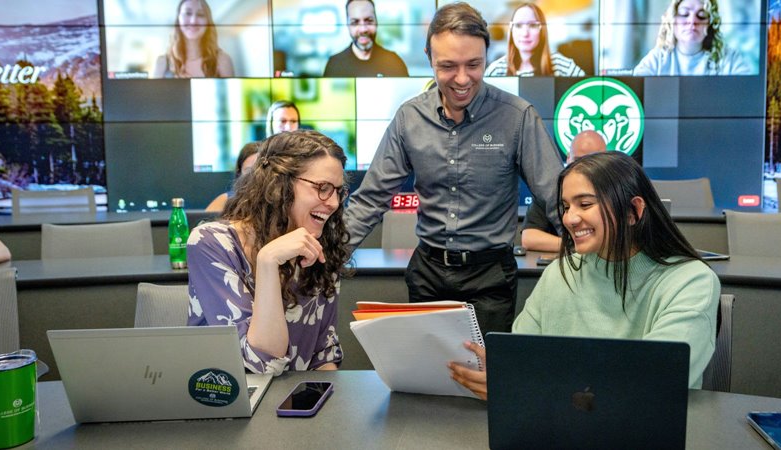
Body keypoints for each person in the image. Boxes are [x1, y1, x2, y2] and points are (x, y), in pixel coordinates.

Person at [343, 3, 564, 334]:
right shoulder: (409, 118)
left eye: (473, 64)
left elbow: (557, 197)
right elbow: (371, 199)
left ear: (487, 55)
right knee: (425, 367)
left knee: (482, 368)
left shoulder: (517, 117)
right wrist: (328, 258)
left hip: (490, 279)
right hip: (428, 274)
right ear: (429, 58)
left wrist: (596, 256)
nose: (462, 79)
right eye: (447, 66)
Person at [450, 152, 720, 399]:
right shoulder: (560, 273)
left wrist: (525, 383)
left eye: (585, 204)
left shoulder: (690, 281)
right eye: (566, 206)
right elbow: (521, 359)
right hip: (553, 425)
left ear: (633, 211)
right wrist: (501, 370)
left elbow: (654, 378)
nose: (569, 219)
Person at [187, 130, 350, 374]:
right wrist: (268, 260)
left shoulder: (319, 243)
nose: (334, 203)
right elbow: (262, 363)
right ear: (278, 185)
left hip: (298, 395)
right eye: (323, 188)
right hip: (231, 395)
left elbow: (323, 356)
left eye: (338, 191)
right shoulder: (212, 242)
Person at [521, 130, 607, 252]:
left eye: (593, 161)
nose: (585, 168)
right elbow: (529, 238)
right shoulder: (549, 191)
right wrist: (577, 245)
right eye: (566, 207)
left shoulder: (618, 190)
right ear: (568, 158)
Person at [633, 0, 751, 76]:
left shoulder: (728, 58)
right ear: (672, 21)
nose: (692, 21)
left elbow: (748, 90)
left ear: (710, 25)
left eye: (701, 16)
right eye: (684, 14)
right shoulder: (658, 59)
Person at [484, 3, 585, 77]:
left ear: (542, 30)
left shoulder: (561, 66)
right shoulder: (496, 70)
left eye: (532, 25)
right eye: (518, 25)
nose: (525, 33)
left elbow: (589, 90)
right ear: (511, 30)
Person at [323, 0, 409, 77]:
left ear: (376, 22)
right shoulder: (334, 65)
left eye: (369, 21)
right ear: (348, 25)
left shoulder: (394, 62)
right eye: (355, 22)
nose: (363, 29)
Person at [152, 0, 235, 78]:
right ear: (178, 19)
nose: (193, 21)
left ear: (208, 22)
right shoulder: (162, 63)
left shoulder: (223, 61)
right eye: (188, 13)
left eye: (200, 15)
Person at [204, 141, 259, 213]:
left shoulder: (273, 202)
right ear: (239, 173)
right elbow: (202, 220)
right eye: (248, 170)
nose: (253, 175)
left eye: (258, 169)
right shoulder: (226, 200)